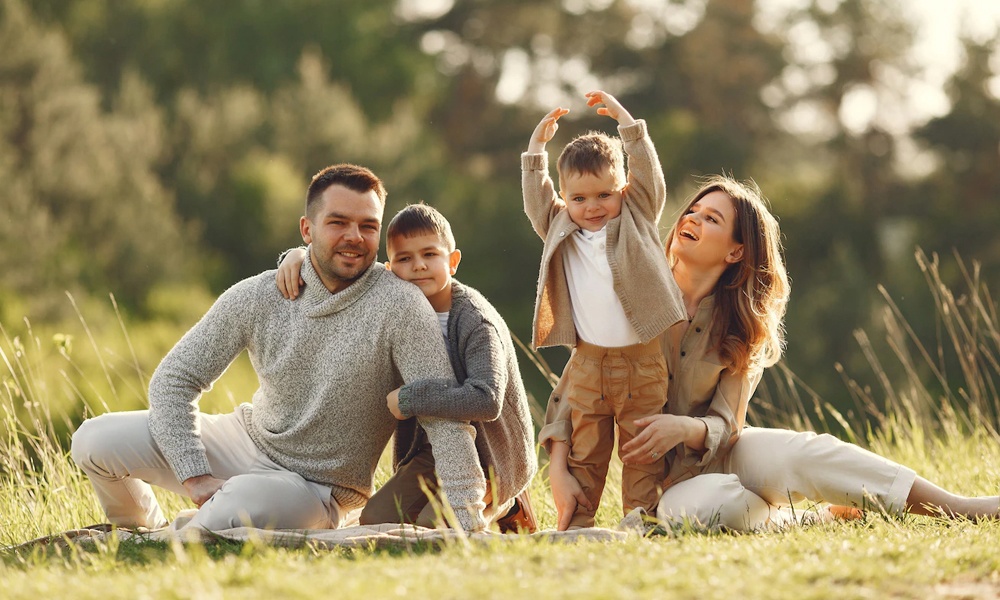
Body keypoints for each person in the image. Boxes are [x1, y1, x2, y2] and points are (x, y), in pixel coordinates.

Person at [543, 175, 1000, 531]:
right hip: (661, 487)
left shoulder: (742, 325)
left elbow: (728, 424)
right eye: (694, 211)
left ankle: (957, 507)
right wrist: (560, 470)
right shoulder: (629, 295)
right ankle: (802, 519)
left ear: (737, 251)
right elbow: (577, 386)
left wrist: (683, 427)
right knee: (707, 507)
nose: (693, 219)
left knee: (805, 452)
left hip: (721, 452)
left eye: (712, 219)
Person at [71, 163, 491, 533]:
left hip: (314, 489)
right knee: (93, 439)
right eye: (338, 222)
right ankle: (141, 533)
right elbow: (174, 380)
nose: (354, 237)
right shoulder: (258, 294)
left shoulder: (402, 305)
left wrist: (471, 522)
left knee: (235, 507)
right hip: (244, 441)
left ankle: (186, 534)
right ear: (307, 229)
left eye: (368, 226)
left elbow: (444, 418)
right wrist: (195, 475)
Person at [276, 203, 538, 532]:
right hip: (432, 451)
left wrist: (412, 398)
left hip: (490, 457)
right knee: (376, 519)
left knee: (437, 526)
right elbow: (343, 274)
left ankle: (506, 505)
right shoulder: (396, 311)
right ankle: (458, 501)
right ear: (389, 270)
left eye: (430, 254)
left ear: (453, 261)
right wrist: (298, 256)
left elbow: (486, 399)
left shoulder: (474, 320)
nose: (418, 266)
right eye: (404, 258)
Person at [521, 91, 686, 528]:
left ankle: (640, 517)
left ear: (623, 190)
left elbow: (649, 175)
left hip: (643, 361)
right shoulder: (559, 226)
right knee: (586, 450)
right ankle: (580, 524)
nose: (592, 207)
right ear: (564, 198)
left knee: (642, 449)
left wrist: (628, 125)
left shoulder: (637, 214)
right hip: (590, 364)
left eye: (603, 195)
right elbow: (537, 199)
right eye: (579, 199)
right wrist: (536, 150)